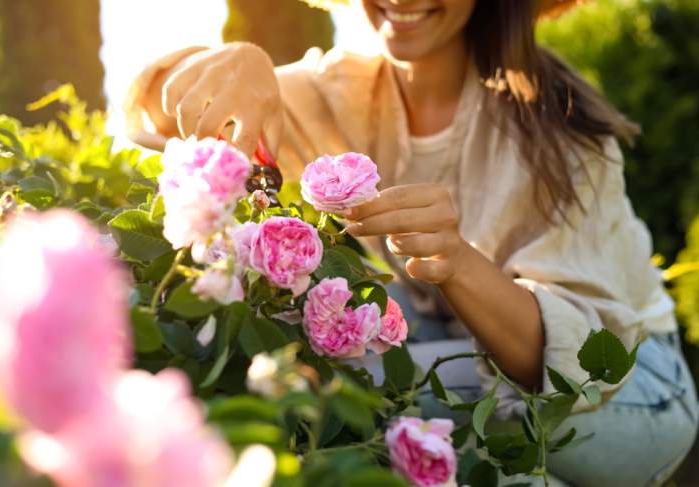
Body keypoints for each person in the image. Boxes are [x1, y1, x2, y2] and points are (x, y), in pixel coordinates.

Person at [125, 1, 698, 485]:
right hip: (457, 353)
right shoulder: (339, 90)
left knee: (341, 398)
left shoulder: (568, 133)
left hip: (625, 383)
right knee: (349, 383)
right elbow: (154, 109)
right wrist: (235, 63)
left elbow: (561, 371)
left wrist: (456, 261)